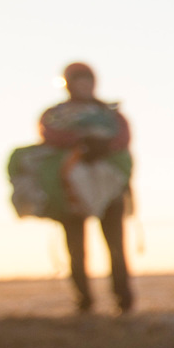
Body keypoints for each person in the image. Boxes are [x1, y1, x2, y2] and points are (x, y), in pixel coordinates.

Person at [40, 62, 136, 315]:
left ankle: (123, 299)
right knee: (76, 247)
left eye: (88, 81)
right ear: (69, 85)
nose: (85, 86)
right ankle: (83, 301)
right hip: (72, 187)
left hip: (108, 186)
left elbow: (123, 137)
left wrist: (103, 146)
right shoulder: (57, 114)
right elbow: (48, 132)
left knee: (116, 245)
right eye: (79, 81)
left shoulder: (110, 113)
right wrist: (79, 142)